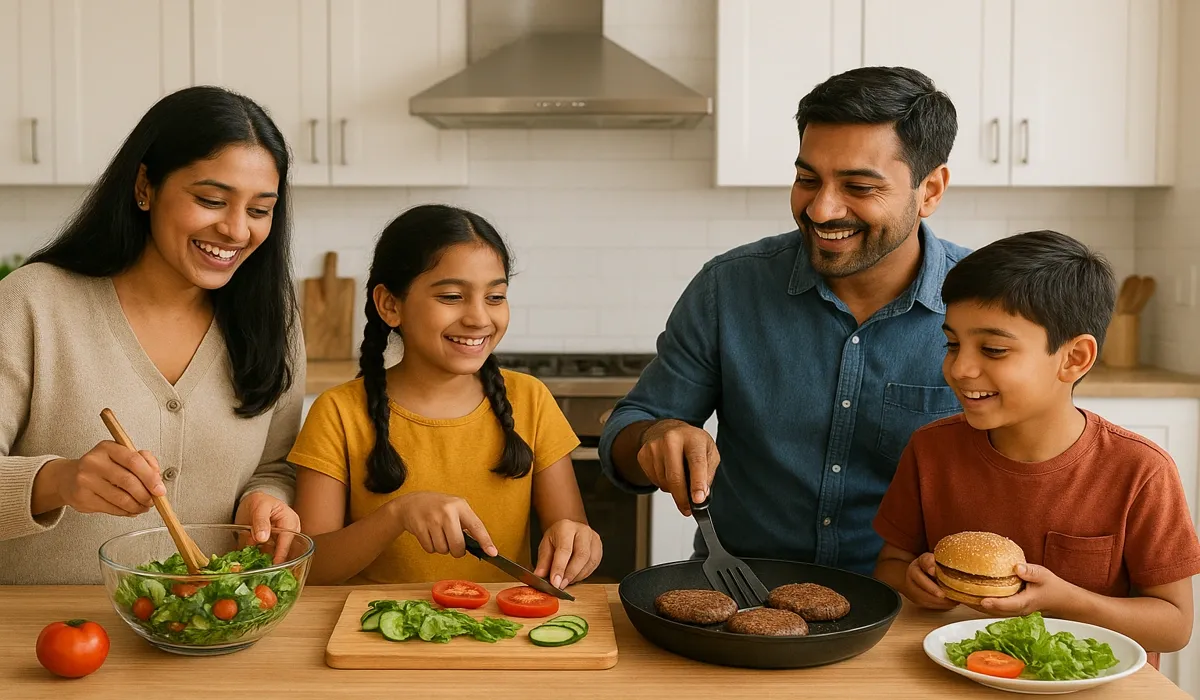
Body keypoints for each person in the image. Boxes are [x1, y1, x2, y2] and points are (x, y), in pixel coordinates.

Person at [599, 66, 969, 575]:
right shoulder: (728, 288)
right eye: (807, 179)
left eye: (859, 186)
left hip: (911, 608)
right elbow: (627, 429)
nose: (821, 209)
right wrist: (653, 437)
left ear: (930, 190)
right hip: (739, 595)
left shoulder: (984, 304)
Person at [0, 86, 304, 584]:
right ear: (146, 184)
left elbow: (277, 465)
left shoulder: (273, 320)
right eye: (210, 200)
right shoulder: (33, 303)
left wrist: (264, 499)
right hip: (45, 640)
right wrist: (56, 480)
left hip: (209, 632)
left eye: (259, 210)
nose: (235, 230)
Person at [873, 230, 1200, 658]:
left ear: (1075, 358)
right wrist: (914, 582)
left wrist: (1062, 599)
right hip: (960, 675)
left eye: (992, 349)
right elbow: (889, 569)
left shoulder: (1140, 470)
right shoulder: (930, 450)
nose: (959, 368)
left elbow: (1174, 627)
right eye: (952, 344)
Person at [290, 204, 602, 587]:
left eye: (495, 297)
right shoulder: (338, 412)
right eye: (452, 296)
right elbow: (308, 569)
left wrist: (578, 542)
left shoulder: (531, 399)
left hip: (501, 632)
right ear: (390, 304)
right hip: (377, 635)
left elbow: (570, 530)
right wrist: (397, 515)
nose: (479, 318)